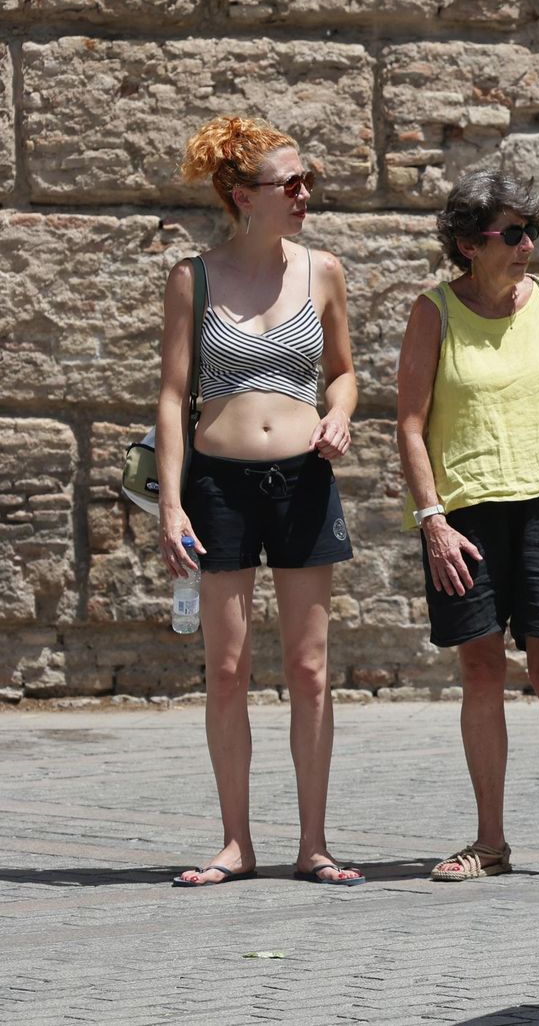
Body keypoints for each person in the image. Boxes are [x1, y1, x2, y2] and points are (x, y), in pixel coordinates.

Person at [159, 116, 363, 887]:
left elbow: (342, 372)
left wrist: (339, 412)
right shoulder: (194, 277)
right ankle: (235, 842)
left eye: (307, 180)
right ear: (246, 196)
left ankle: (313, 843)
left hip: (304, 480)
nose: (306, 193)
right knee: (229, 670)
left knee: (310, 669)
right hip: (219, 484)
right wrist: (175, 506)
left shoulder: (323, 271)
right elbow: (173, 396)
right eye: (292, 184)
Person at [395, 170, 539, 884]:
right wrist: (432, 520)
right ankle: (490, 841)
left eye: (532, 233)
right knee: (480, 669)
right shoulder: (434, 312)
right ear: (467, 243)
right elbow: (410, 423)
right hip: (465, 514)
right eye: (512, 234)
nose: (527, 247)